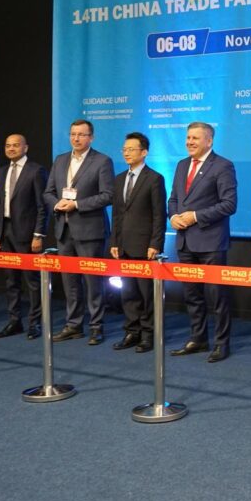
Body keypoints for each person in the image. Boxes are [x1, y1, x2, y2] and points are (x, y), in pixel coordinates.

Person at [168, 122, 237, 363]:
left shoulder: (222, 165)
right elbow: (174, 199)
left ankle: (221, 343)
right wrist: (173, 217)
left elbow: (229, 204)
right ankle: (198, 339)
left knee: (217, 297)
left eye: (195, 138)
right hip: (185, 242)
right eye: (188, 137)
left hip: (211, 242)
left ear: (209, 141)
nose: (190, 142)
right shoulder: (181, 165)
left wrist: (196, 216)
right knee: (192, 296)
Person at [44, 119, 115, 345]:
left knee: (93, 282)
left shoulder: (102, 161)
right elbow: (48, 192)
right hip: (64, 230)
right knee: (70, 282)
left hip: (90, 231)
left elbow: (108, 195)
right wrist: (57, 203)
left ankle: (96, 327)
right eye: (73, 134)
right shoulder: (60, 160)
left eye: (82, 134)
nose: (76, 138)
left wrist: (76, 204)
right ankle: (73, 325)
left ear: (91, 138)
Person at [110, 132, 166, 353]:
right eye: (124, 149)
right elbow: (117, 214)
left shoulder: (154, 178)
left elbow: (159, 215)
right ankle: (131, 331)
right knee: (128, 293)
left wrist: (155, 244)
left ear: (144, 152)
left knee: (146, 294)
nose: (126, 153)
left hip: (145, 247)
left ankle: (148, 334)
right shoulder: (119, 179)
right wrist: (114, 241)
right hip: (123, 246)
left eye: (131, 149)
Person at [0, 134, 49, 340]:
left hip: (27, 234)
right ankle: (14, 321)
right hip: (5, 232)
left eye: (16, 145)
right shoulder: (3, 171)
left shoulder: (36, 170)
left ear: (26, 148)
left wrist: (38, 235)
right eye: (8, 146)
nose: (11, 149)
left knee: (32, 281)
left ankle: (35, 323)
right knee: (11, 281)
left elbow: (42, 207)